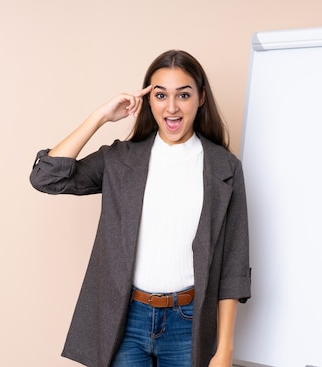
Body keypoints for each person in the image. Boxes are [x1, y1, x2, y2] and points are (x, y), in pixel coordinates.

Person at [30, 50, 251, 367]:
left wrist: (225, 348)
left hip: (189, 323)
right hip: (126, 318)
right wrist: (100, 117)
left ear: (201, 98)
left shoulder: (223, 167)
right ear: (149, 100)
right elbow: (46, 177)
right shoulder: (122, 159)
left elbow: (233, 265)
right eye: (161, 95)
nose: (171, 107)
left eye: (183, 95)